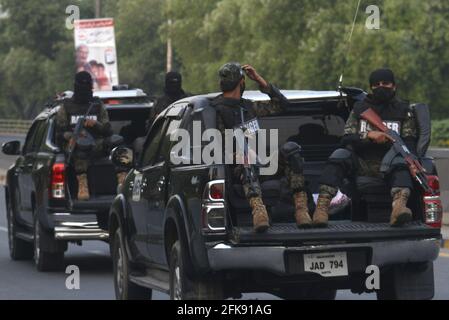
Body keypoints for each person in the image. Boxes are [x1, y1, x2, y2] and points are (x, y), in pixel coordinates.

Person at [311, 68, 419, 228]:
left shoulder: (404, 111)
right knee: (339, 155)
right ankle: (322, 208)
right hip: (361, 164)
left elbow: (409, 143)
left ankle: (398, 208)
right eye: (377, 84)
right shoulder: (360, 109)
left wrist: (413, 162)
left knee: (402, 163)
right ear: (371, 88)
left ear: (394, 86)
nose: (381, 87)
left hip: (391, 166)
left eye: (386, 83)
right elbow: (346, 139)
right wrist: (368, 136)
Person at [211, 62, 309, 233]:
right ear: (241, 82)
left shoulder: (247, 107)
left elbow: (283, 105)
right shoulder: (216, 110)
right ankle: (258, 211)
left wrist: (260, 81)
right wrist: (238, 155)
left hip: (262, 165)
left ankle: (301, 209)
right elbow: (213, 149)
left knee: (291, 150)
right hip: (236, 171)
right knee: (246, 158)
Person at [55, 72, 120, 201]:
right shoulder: (66, 106)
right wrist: (73, 136)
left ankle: (122, 179)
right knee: (79, 148)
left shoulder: (97, 105)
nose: (84, 89)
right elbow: (59, 133)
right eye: (81, 85)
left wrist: (95, 124)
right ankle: (83, 185)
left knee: (118, 143)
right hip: (75, 146)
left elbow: (108, 130)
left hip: (96, 143)